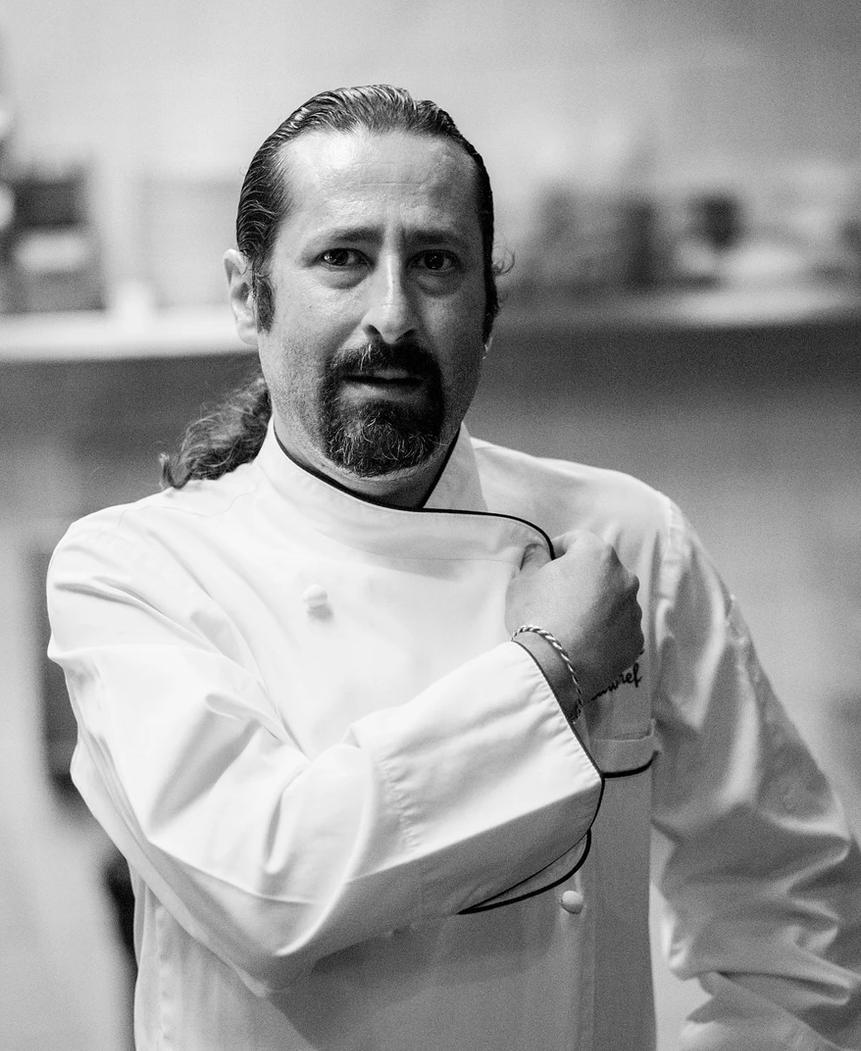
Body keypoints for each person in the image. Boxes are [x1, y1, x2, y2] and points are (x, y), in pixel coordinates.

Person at [47, 85, 861, 1050]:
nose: (392, 314)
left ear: (488, 306)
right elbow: (265, 893)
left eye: (434, 261)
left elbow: (787, 905)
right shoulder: (135, 569)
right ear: (246, 295)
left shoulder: (627, 538)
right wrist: (550, 667)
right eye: (343, 258)